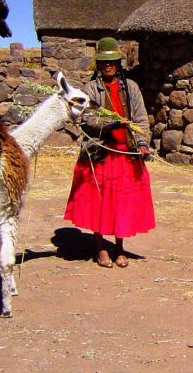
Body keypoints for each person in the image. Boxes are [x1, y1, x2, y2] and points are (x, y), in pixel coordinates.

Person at [64, 37, 155, 268]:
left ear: (118, 62)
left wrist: (142, 143)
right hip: (100, 153)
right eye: (104, 62)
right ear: (98, 65)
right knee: (99, 201)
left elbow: (141, 118)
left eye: (112, 61)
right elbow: (87, 119)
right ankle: (101, 248)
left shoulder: (131, 88)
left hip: (125, 153)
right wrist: (112, 124)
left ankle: (119, 248)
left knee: (121, 203)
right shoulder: (90, 89)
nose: (108, 66)